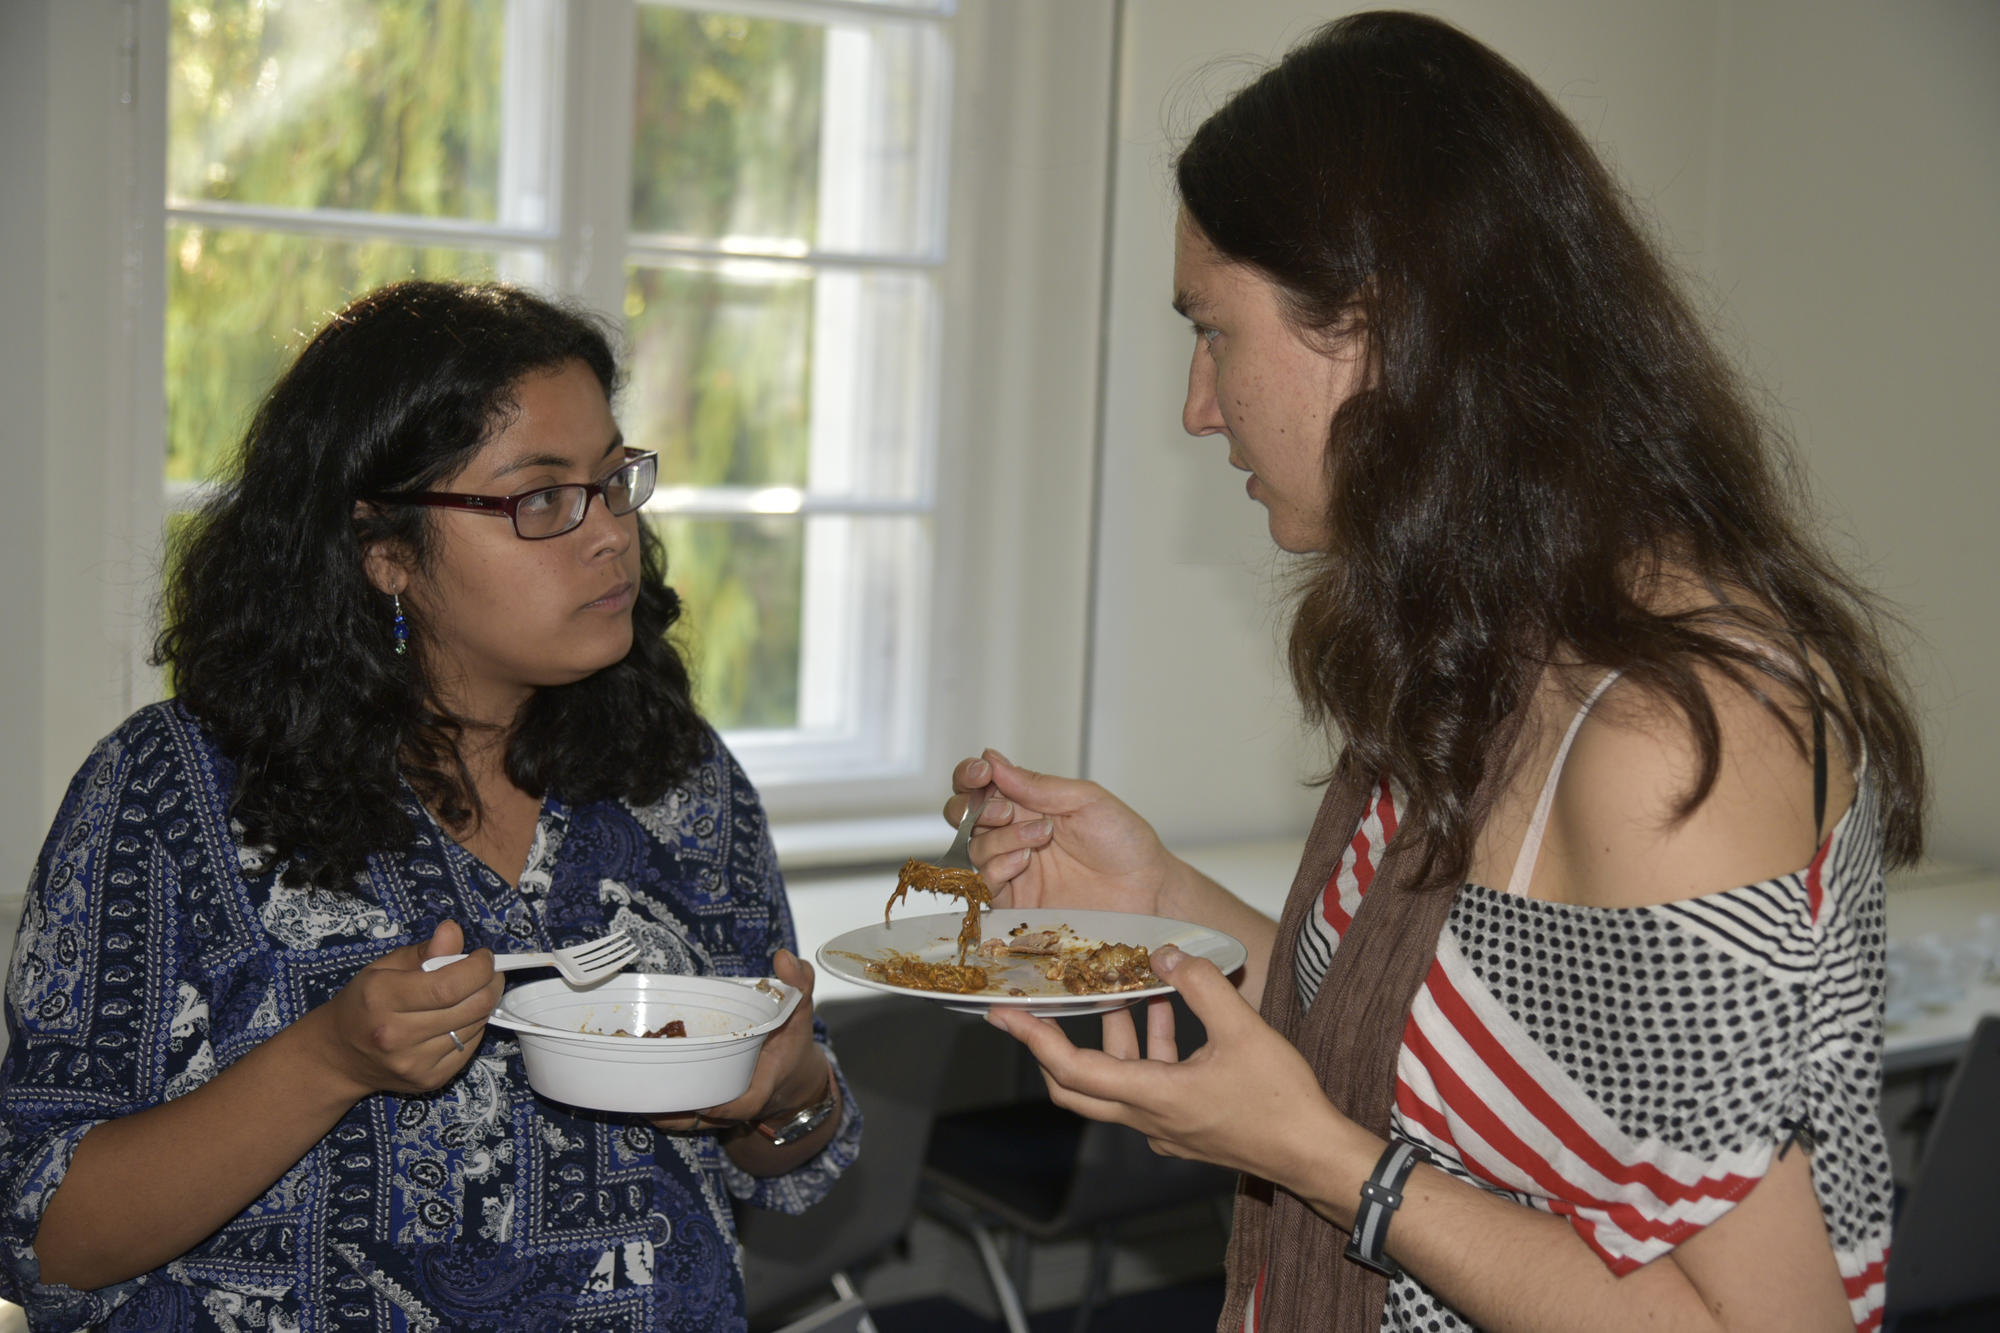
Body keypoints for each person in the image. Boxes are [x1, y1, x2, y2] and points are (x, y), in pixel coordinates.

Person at [946, 12, 1924, 1333]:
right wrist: (1161, 897)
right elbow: (1469, 1043)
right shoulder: (1491, 644)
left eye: (1214, 331)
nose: (1197, 403)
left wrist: (1323, 1162)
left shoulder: (1667, 735)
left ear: (1374, 327)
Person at [0, 280, 859, 1331]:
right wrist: (325, 1061)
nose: (608, 537)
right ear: (385, 550)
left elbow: (780, 1163)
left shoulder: (677, 777)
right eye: (540, 499)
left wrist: (789, 1088)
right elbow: (42, 1235)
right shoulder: (171, 794)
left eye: (613, 479)